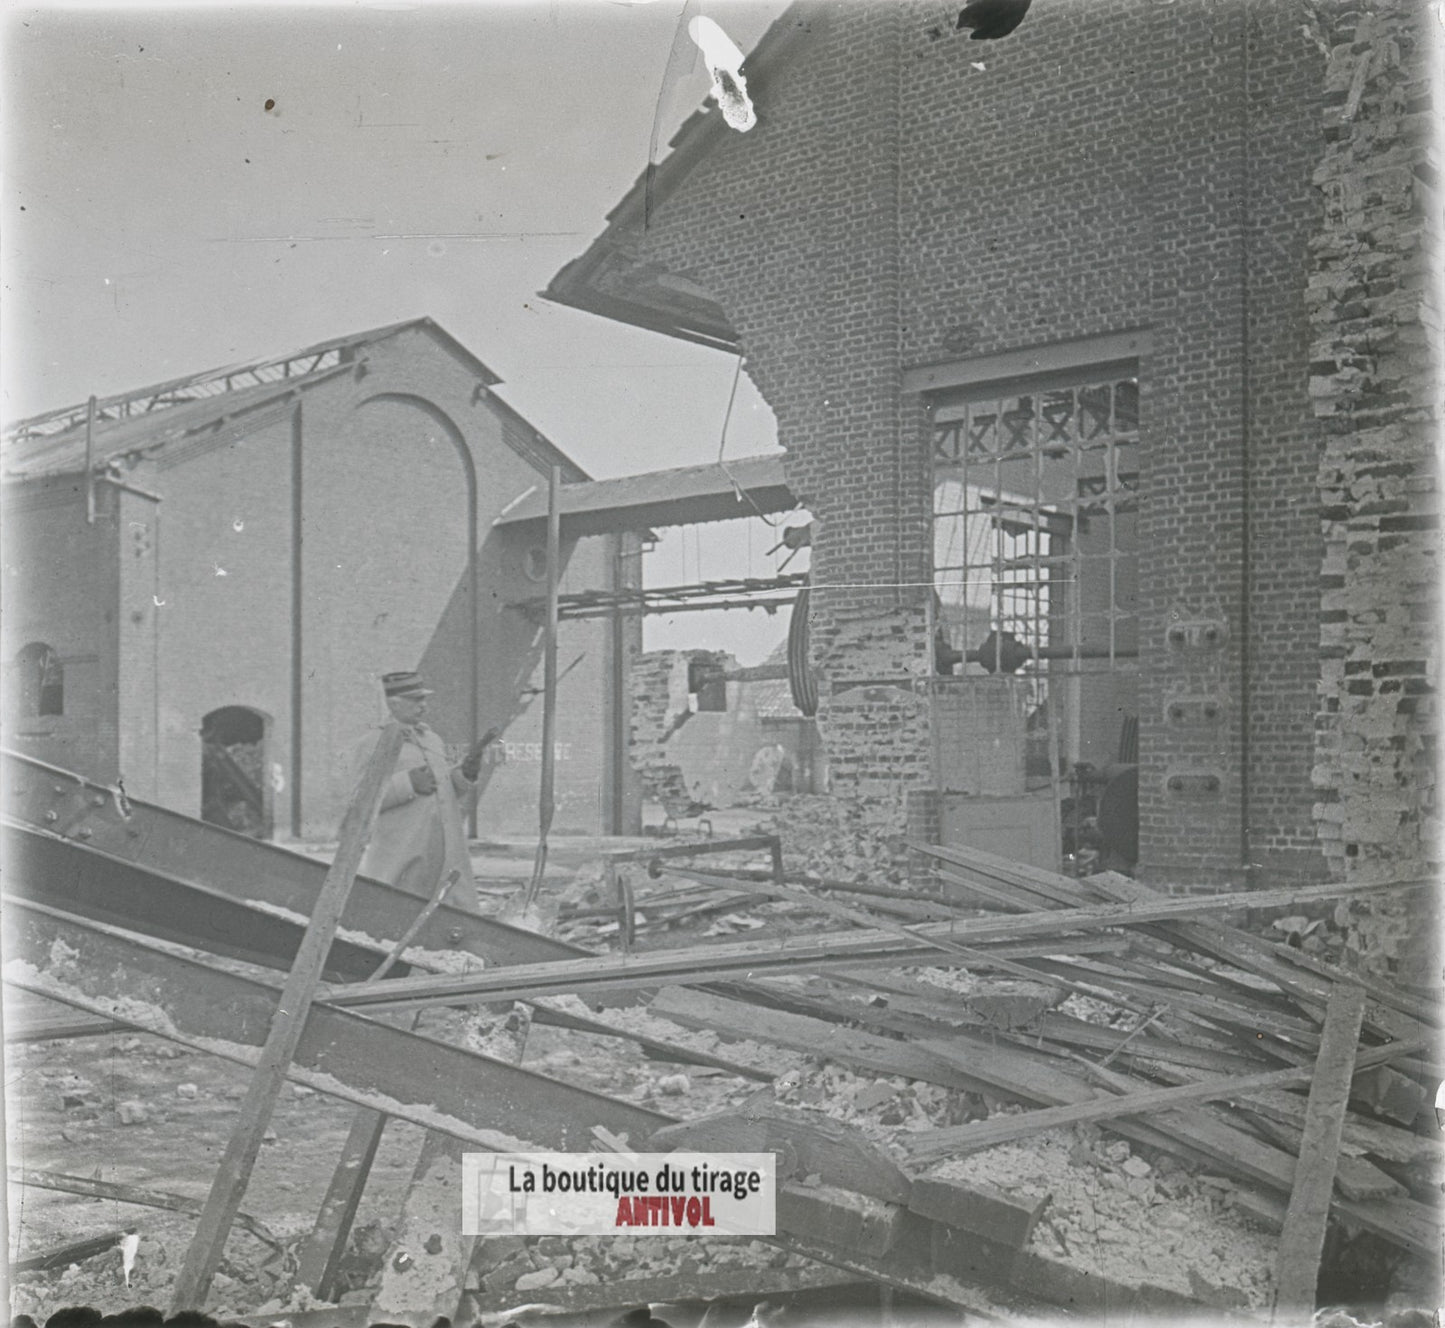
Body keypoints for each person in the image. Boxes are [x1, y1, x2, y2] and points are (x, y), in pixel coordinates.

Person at [352, 670, 499, 911]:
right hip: (402, 854)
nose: (424, 705)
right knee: (399, 911)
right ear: (393, 703)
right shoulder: (372, 743)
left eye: (424, 698)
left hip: (442, 850)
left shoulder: (431, 740)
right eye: (416, 699)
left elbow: (441, 789)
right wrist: (408, 783)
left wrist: (464, 775)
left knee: (449, 913)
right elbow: (360, 801)